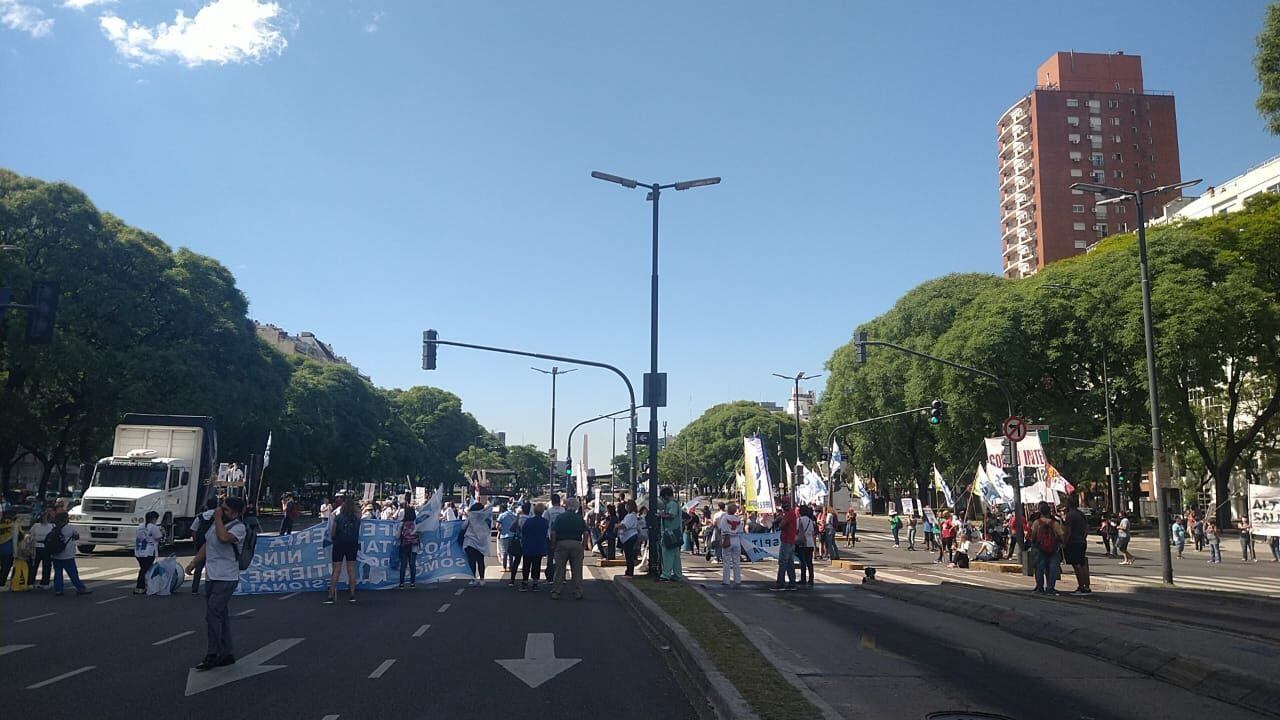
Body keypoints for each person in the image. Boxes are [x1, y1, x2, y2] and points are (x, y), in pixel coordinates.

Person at [183, 497, 246, 671]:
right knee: (221, 616)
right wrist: (194, 562)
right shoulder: (217, 524)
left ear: (235, 513)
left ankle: (213, 653)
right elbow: (208, 544)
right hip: (212, 576)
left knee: (212, 614)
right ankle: (226, 653)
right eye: (220, 508)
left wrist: (217, 518)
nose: (220, 511)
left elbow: (224, 538)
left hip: (226, 577)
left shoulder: (239, 527)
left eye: (225, 510)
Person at [325, 494, 361, 604]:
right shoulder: (356, 518)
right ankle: (352, 594)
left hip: (339, 544)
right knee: (351, 569)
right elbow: (359, 512)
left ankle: (331, 595)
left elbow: (333, 532)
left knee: (336, 570)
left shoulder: (338, 517)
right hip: (352, 544)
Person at [550, 497, 587, 600]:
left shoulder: (560, 517)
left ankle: (556, 591)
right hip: (576, 543)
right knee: (577, 570)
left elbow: (553, 532)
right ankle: (578, 591)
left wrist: (553, 544)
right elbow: (585, 533)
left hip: (561, 543)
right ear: (576, 507)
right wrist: (583, 545)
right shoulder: (579, 518)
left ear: (566, 506)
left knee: (559, 569)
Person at [48, 511, 90, 596]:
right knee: (73, 573)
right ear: (66, 519)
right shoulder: (70, 528)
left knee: (58, 573)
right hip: (68, 555)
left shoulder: (54, 527)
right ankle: (80, 588)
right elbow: (77, 536)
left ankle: (58, 590)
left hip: (55, 554)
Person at [1030, 501, 1064, 594]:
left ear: (1040, 512)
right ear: (1049, 512)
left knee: (1039, 568)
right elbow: (1061, 535)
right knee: (1052, 568)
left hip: (1040, 548)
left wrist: (1033, 543)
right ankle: (1050, 587)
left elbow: (1033, 535)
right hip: (1053, 548)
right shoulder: (1054, 523)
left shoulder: (1037, 522)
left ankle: (1040, 587)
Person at [189, 497, 219, 595]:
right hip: (214, 545)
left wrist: (196, 542)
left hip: (201, 544)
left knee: (198, 567)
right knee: (212, 568)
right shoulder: (219, 517)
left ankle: (194, 589)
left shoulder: (200, 517)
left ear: (207, 506)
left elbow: (193, 531)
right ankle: (210, 589)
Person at [1062, 496, 1091, 594]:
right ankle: (1086, 586)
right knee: (1082, 563)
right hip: (1081, 541)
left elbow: (1068, 531)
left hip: (1073, 541)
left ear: (1068, 504)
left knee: (1077, 565)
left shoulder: (1070, 515)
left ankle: (1081, 587)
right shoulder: (1081, 514)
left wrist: (1064, 542)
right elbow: (1087, 528)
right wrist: (1083, 537)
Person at [133, 511, 165, 594]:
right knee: (145, 569)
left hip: (139, 551)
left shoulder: (140, 526)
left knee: (143, 568)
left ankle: (143, 586)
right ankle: (140, 587)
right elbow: (158, 538)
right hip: (149, 551)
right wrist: (162, 532)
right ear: (154, 519)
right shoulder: (154, 527)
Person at [656, 486, 683, 582]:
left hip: (670, 532)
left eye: (663, 497)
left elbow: (672, 515)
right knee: (675, 556)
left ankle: (666, 574)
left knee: (667, 553)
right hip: (676, 532)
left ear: (666, 496)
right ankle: (677, 575)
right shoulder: (676, 503)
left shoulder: (671, 504)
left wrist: (661, 515)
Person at [520, 503, 549, 591]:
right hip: (539, 544)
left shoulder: (529, 521)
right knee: (537, 564)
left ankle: (525, 582)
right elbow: (546, 533)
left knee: (526, 564)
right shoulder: (545, 522)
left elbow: (523, 531)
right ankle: (535, 583)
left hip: (528, 544)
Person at [771, 497, 798, 591]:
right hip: (791, 540)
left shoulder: (788, 514)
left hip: (786, 540)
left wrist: (778, 522)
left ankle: (780, 583)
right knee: (790, 562)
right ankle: (792, 583)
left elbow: (782, 524)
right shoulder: (791, 513)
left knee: (782, 562)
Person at [462, 501, 492, 586]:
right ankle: (482, 579)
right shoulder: (485, 519)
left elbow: (463, 527)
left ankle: (473, 579)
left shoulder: (470, 519)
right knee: (480, 561)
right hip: (481, 543)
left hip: (470, 542)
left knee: (472, 562)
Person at [716, 502, 744, 587]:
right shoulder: (738, 519)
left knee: (726, 561)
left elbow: (722, 529)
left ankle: (726, 580)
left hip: (727, 538)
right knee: (736, 561)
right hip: (736, 539)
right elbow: (741, 531)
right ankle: (737, 580)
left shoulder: (725, 518)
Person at [29, 508, 54, 590]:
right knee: (45, 566)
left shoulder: (36, 526)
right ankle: (43, 583)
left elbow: (30, 535)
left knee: (35, 566)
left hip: (38, 547)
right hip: (45, 548)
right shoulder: (52, 526)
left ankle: (32, 582)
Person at [544, 494, 565, 581]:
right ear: (559, 501)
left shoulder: (548, 511)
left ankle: (549, 577)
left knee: (550, 557)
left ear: (552, 502)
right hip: (562, 537)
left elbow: (545, 523)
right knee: (562, 558)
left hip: (550, 536)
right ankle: (561, 576)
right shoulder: (563, 511)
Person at [795, 505, 817, 586]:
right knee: (809, 562)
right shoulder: (810, 521)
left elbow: (795, 530)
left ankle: (803, 579)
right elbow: (812, 532)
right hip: (810, 543)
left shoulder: (799, 520)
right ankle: (811, 579)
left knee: (802, 562)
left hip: (802, 543)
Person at [618, 500, 641, 577]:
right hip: (628, 537)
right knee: (628, 555)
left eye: (627, 505)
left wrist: (617, 526)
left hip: (629, 537)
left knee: (629, 555)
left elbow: (625, 525)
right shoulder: (631, 515)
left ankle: (629, 572)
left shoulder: (631, 516)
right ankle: (628, 571)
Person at [398, 506, 419, 588]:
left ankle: (401, 583)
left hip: (404, 545)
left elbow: (397, 535)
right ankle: (412, 583)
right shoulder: (416, 524)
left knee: (403, 564)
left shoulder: (402, 524)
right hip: (414, 546)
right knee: (412, 564)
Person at [496, 504, 518, 571]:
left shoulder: (501, 515)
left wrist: (500, 530)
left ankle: (504, 567)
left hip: (504, 535)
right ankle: (511, 566)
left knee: (504, 552)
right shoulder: (512, 514)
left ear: (501, 508)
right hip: (512, 535)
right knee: (511, 552)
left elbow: (497, 525)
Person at [0, 508, 17, 586]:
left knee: (2, 567)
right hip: (8, 549)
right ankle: (2, 583)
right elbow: (15, 538)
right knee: (6, 567)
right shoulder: (13, 524)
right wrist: (15, 553)